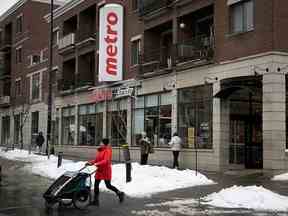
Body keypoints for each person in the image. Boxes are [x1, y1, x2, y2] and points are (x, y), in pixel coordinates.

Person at [86, 138, 124, 206]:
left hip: (106, 170)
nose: (100, 144)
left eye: (101, 143)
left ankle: (119, 193)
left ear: (104, 144)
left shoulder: (107, 151)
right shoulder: (100, 150)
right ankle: (96, 201)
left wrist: (97, 164)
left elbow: (106, 161)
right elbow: (97, 160)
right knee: (96, 185)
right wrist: (90, 163)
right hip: (100, 170)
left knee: (108, 185)